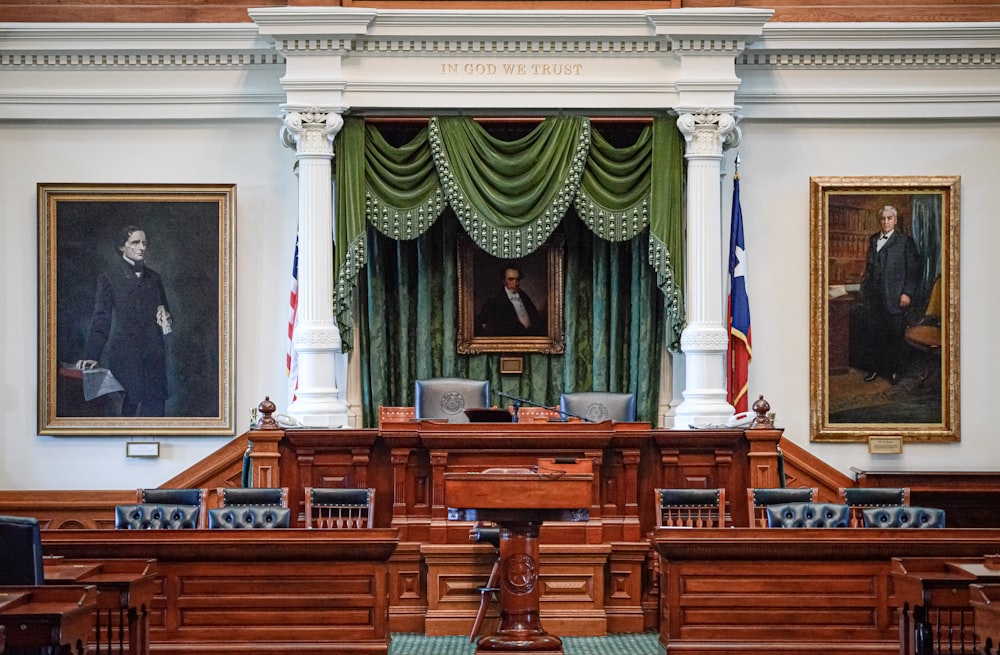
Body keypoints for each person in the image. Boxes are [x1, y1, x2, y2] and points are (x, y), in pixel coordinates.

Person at [76, 225, 173, 416]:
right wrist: (92, 355)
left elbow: (166, 314)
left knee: (155, 412)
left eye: (144, 243)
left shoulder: (155, 278)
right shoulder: (109, 278)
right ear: (123, 247)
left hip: (154, 358)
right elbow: (101, 319)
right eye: (135, 242)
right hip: (126, 359)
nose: (141, 247)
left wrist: (167, 320)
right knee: (128, 411)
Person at [858, 205, 921, 384]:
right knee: (875, 334)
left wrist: (907, 293)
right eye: (883, 219)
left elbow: (913, 271)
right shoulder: (873, 240)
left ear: (895, 220)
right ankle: (875, 368)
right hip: (875, 297)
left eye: (889, 218)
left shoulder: (905, 242)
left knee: (894, 336)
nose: (885, 222)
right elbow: (870, 267)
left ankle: (894, 371)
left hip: (895, 297)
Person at [475, 264, 544, 337]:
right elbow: (478, 324)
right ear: (504, 281)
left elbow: (536, 320)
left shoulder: (525, 298)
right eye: (511, 279)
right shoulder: (494, 302)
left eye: (517, 279)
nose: (515, 283)